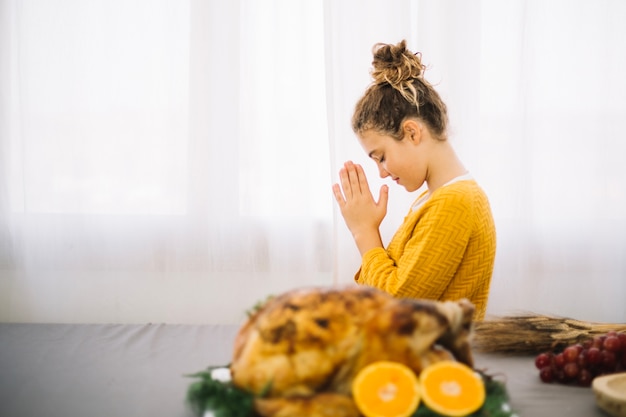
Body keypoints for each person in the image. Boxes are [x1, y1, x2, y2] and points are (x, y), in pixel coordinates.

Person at [332, 40, 496, 321]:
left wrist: (365, 232)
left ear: (412, 133)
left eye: (381, 156)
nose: (382, 172)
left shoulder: (455, 203)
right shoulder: (434, 199)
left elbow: (398, 308)